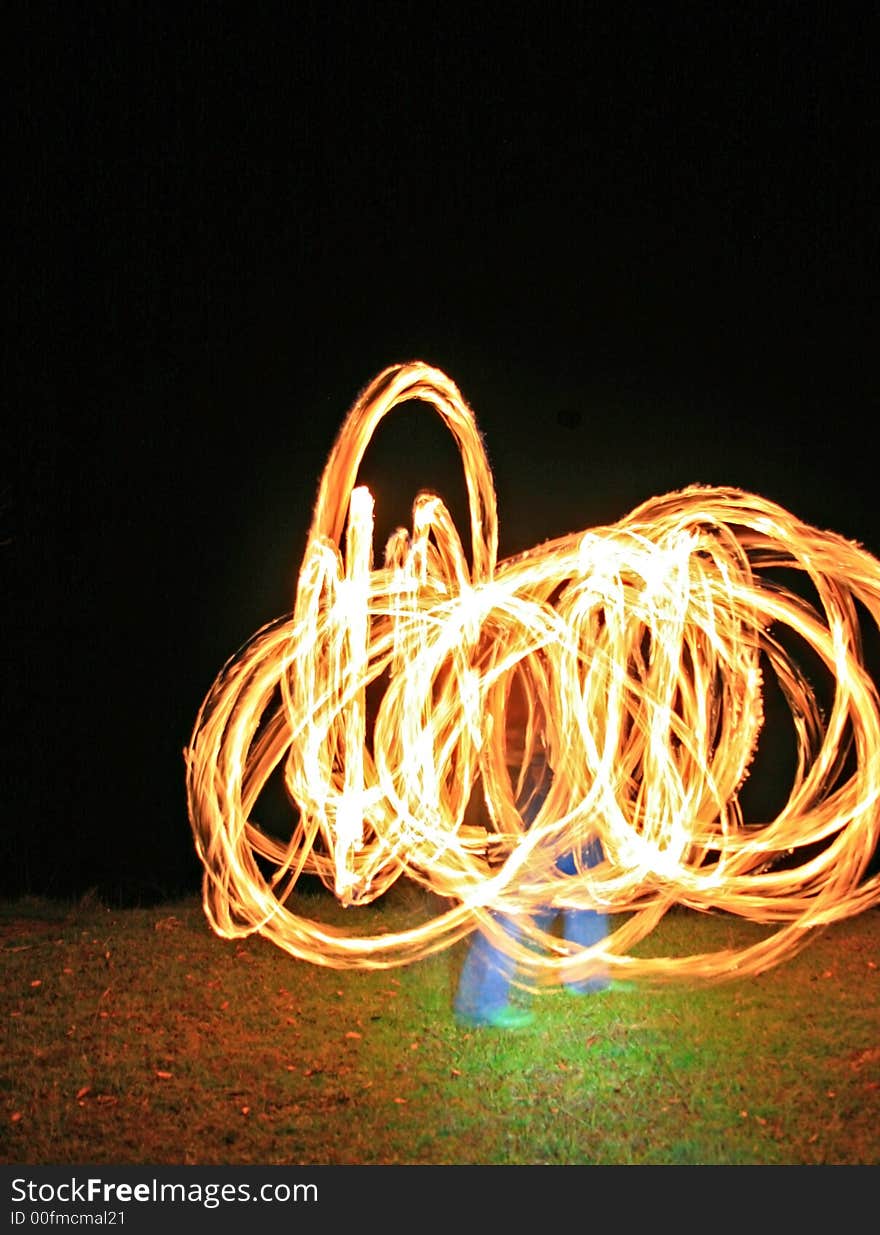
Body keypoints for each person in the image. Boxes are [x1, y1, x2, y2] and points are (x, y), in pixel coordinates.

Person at [454, 693, 609, 1030]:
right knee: (521, 898)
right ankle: (481, 1001)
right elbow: (508, 730)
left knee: (584, 878)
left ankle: (588, 975)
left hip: (554, 781)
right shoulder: (522, 677)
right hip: (533, 785)